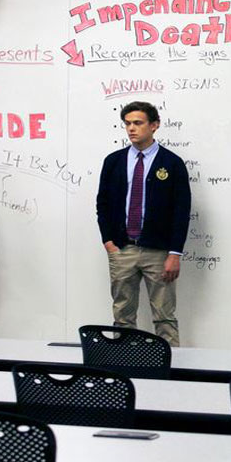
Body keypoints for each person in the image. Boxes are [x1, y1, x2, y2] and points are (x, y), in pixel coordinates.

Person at [96, 101, 191, 346]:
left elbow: (181, 211)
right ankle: (125, 362)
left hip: (158, 251)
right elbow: (102, 203)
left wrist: (175, 253)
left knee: (164, 316)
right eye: (127, 123)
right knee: (123, 315)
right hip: (122, 248)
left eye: (138, 123)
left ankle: (171, 364)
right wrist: (108, 242)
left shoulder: (171, 163)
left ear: (154, 125)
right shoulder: (114, 161)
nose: (131, 128)